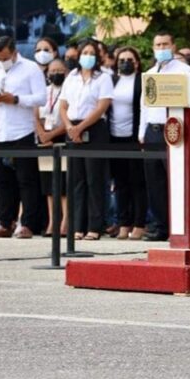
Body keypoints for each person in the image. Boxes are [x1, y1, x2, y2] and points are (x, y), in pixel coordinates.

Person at [0, 36, 47, 238]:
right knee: (1, 180)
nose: (2, 61)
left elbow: (41, 97)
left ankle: (27, 223)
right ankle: (4, 222)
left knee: (26, 180)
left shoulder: (31, 68)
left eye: (6, 57)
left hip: (22, 131)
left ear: (15, 52)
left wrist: (16, 99)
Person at [137, 31, 190, 241]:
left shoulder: (185, 71)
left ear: (173, 46)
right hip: (152, 132)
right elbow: (144, 105)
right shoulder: (151, 72)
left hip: (175, 131)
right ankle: (160, 226)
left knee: (176, 181)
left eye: (165, 45)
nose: (161, 49)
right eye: (157, 45)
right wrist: (141, 133)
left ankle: (180, 228)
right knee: (155, 182)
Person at [59, 41, 113, 241]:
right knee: (76, 179)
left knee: (94, 179)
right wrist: (70, 127)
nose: (88, 56)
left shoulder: (103, 78)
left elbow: (101, 107)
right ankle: (77, 226)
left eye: (92, 53)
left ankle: (94, 226)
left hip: (94, 128)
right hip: (72, 128)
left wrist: (81, 127)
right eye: (85, 52)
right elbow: (63, 106)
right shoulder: (71, 78)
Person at [109, 47, 148, 241]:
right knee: (120, 183)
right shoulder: (111, 81)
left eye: (129, 59)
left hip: (135, 138)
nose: (125, 62)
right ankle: (123, 224)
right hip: (115, 138)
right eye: (122, 59)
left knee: (137, 183)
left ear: (137, 62)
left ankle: (139, 224)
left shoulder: (142, 81)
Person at [35, 58, 69, 237]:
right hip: (44, 138)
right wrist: (42, 133)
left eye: (59, 70)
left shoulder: (69, 91)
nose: (55, 74)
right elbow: (35, 114)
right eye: (52, 71)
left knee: (63, 183)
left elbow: (68, 116)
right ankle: (52, 221)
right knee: (48, 185)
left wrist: (53, 134)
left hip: (61, 136)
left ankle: (65, 222)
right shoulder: (44, 91)